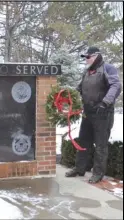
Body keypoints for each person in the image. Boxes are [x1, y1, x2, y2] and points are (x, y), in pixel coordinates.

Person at [65, 46, 122, 183]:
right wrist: (68, 95)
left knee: (101, 144)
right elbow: (80, 88)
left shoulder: (108, 68)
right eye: (85, 57)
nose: (86, 59)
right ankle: (80, 168)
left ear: (96, 56)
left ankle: (98, 173)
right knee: (84, 141)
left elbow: (116, 86)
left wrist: (105, 103)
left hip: (103, 112)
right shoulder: (87, 72)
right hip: (88, 112)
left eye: (88, 57)